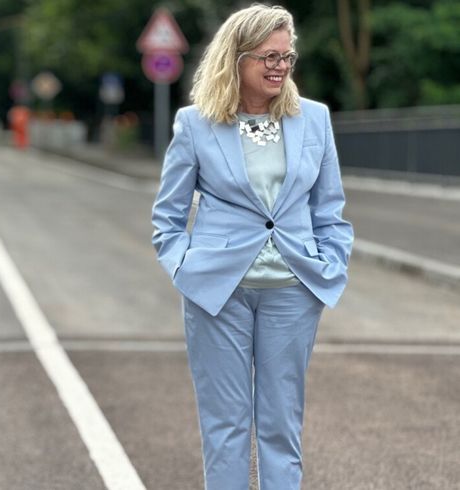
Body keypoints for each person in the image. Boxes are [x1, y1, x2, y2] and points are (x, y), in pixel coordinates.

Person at [150, 4, 353, 489]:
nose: (280, 66)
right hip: (218, 293)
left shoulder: (315, 119)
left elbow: (330, 209)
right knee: (226, 425)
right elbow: (168, 215)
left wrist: (330, 262)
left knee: (282, 425)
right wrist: (185, 268)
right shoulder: (195, 124)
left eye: (287, 56)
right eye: (267, 56)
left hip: (292, 290)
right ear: (235, 59)